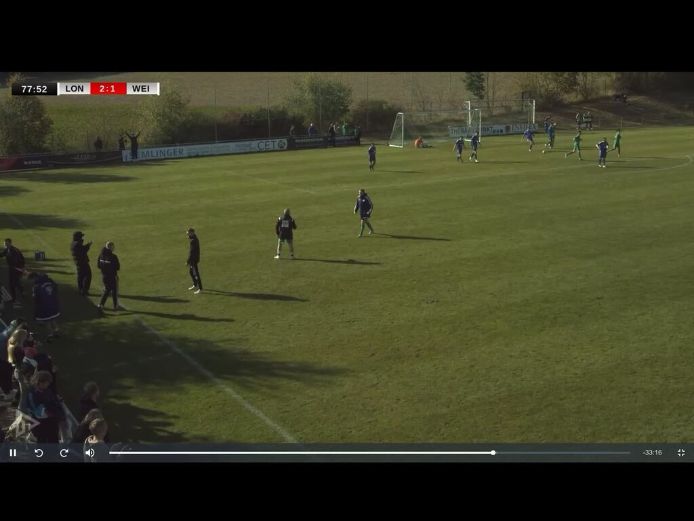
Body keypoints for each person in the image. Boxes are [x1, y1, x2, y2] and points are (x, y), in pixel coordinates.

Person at [27, 272, 61, 341]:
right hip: (53, 302)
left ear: (34, 278)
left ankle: (50, 334)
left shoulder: (36, 286)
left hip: (44, 305)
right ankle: (56, 332)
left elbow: (35, 298)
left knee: (47, 320)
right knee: (53, 319)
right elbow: (55, 287)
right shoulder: (48, 280)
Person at [0, 238, 25, 306]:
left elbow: (19, 261)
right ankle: (22, 290)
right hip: (13, 269)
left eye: (6, 243)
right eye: (4, 243)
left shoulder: (13, 251)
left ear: (10, 243)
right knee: (15, 283)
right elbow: (2, 254)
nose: (5, 245)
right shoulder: (8, 249)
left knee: (12, 284)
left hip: (16, 270)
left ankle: (14, 300)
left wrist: (20, 269)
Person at [97, 241, 120, 310]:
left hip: (104, 276)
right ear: (110, 247)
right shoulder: (113, 257)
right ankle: (115, 305)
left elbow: (98, 266)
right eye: (113, 247)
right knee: (114, 290)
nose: (114, 248)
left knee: (107, 290)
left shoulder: (100, 255)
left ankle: (101, 304)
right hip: (112, 276)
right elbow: (118, 267)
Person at [71, 231, 92, 296]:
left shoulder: (73, 243)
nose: (82, 237)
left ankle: (80, 289)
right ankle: (84, 290)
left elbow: (81, 248)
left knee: (80, 276)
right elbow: (83, 251)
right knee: (88, 275)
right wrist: (88, 245)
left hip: (78, 262)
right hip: (82, 262)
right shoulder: (77, 244)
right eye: (81, 236)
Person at [186, 228, 202, 294]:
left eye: (189, 233)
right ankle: (195, 284)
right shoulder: (193, 238)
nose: (188, 234)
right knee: (191, 272)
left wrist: (188, 261)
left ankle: (200, 288)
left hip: (194, 260)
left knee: (196, 274)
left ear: (192, 233)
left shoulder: (193, 241)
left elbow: (191, 252)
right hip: (193, 259)